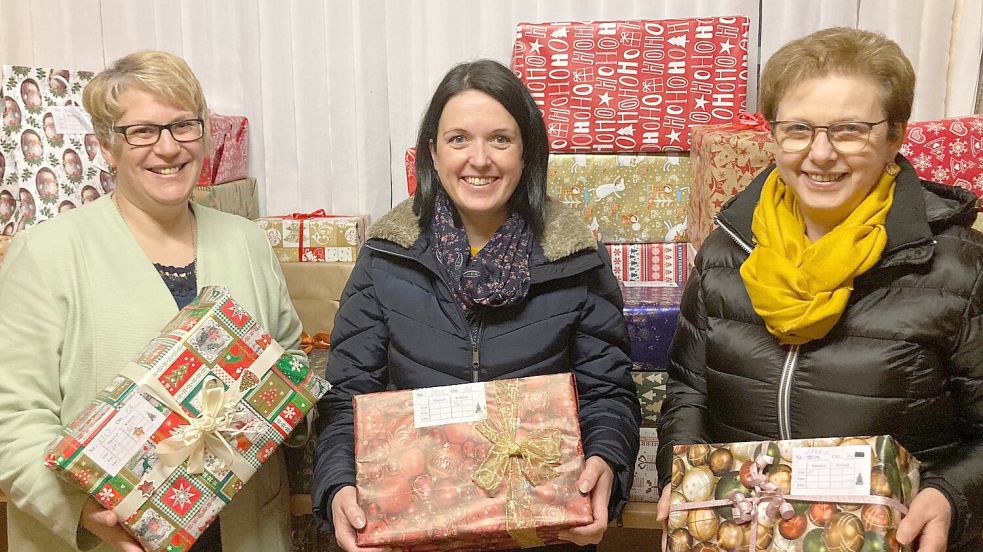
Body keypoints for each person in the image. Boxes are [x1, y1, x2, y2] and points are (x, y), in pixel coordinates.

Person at [656, 27, 983, 551]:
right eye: (799, 129)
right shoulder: (726, 251)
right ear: (774, 134)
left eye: (850, 130)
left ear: (895, 135)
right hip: (746, 535)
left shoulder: (957, 268)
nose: (821, 154)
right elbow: (690, 390)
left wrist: (949, 496)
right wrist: (683, 471)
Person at [312, 59, 640, 552]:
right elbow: (346, 398)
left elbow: (608, 393)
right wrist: (338, 486)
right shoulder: (386, 257)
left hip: (542, 531)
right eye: (459, 139)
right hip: (417, 527)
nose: (479, 159)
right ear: (433, 153)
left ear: (527, 152)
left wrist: (606, 463)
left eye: (501, 139)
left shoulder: (575, 260)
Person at [0, 50, 302, 552]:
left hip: (242, 529)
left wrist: (290, 401)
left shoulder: (247, 240)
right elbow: (12, 415)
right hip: (108, 532)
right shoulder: (46, 253)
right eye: (142, 131)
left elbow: (286, 358)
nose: (168, 148)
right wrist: (85, 514)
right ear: (105, 146)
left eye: (184, 126)